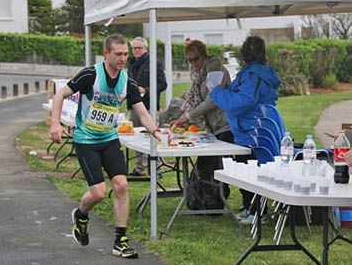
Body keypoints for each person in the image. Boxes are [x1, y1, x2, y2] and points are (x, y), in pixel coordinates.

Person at [50, 34, 166, 259]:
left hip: (110, 139)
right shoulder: (91, 74)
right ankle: (81, 215)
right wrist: (55, 122)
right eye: (119, 54)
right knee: (99, 193)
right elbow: (60, 95)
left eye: (125, 54)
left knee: (121, 186)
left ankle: (120, 240)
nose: (124, 58)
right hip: (86, 141)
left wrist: (155, 131)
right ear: (107, 54)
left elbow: (141, 112)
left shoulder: (127, 82)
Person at [210, 35, 281, 223]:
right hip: (251, 128)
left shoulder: (252, 74)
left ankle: (257, 211)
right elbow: (243, 94)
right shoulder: (253, 72)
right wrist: (227, 89)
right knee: (247, 166)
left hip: (254, 129)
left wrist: (217, 92)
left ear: (244, 54)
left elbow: (244, 102)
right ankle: (250, 206)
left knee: (253, 170)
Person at [171, 40, 234, 211]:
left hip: (224, 125)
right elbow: (191, 97)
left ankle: (217, 200)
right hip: (212, 127)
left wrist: (188, 116)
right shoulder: (199, 74)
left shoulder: (216, 72)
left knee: (221, 168)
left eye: (195, 59)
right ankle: (207, 201)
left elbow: (211, 100)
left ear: (204, 56)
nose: (193, 64)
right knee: (209, 166)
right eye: (189, 61)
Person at [127, 37, 167, 177]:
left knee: (153, 134)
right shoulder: (130, 63)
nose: (136, 51)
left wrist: (145, 90)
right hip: (134, 104)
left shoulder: (154, 63)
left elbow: (163, 84)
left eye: (139, 48)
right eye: (134, 48)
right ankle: (140, 168)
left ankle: (157, 168)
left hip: (149, 105)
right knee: (137, 137)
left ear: (145, 49)